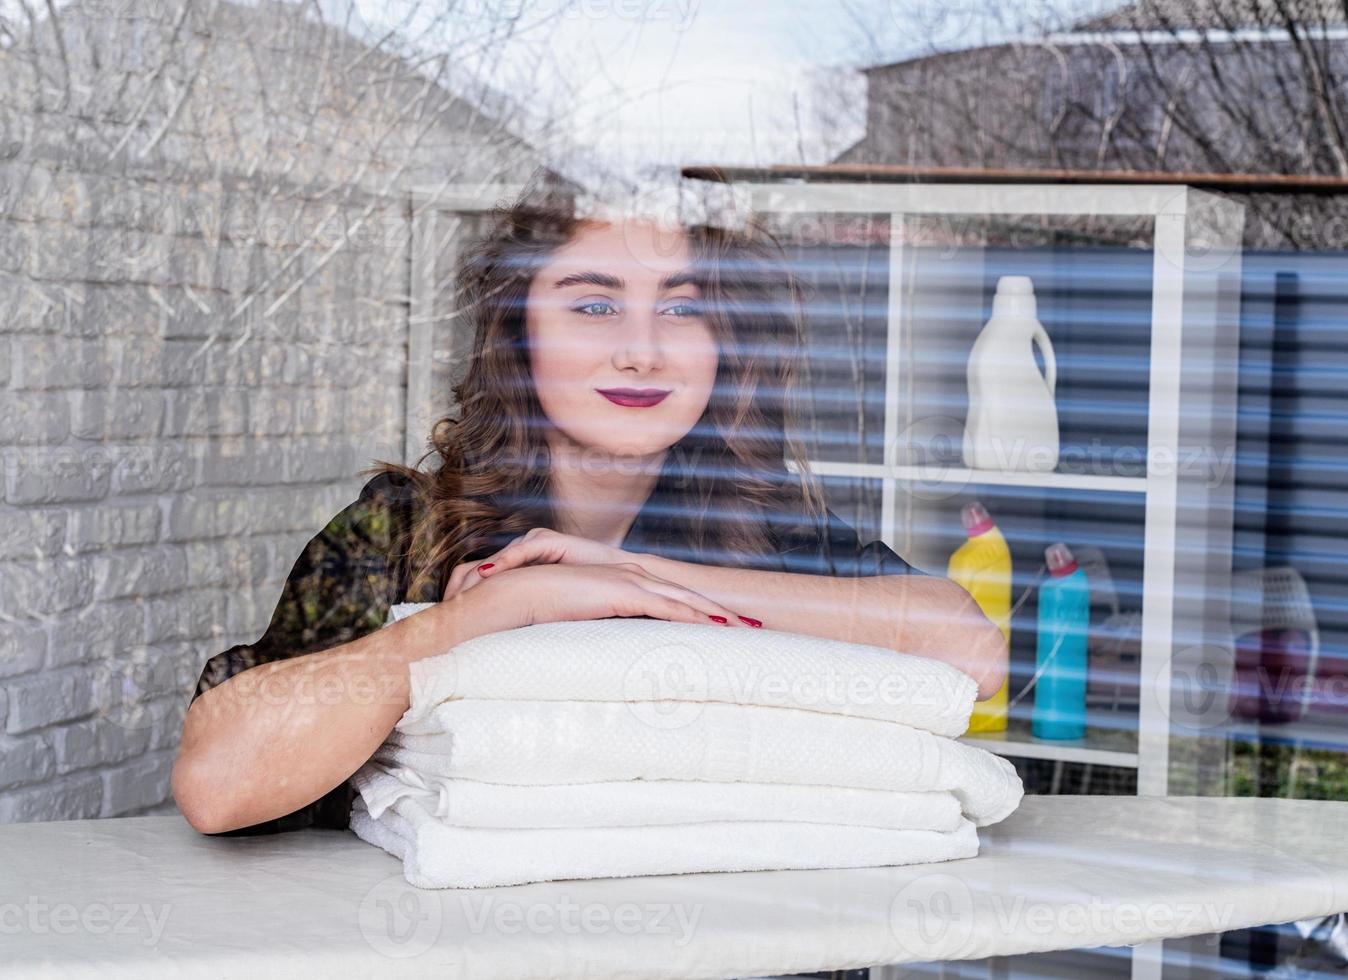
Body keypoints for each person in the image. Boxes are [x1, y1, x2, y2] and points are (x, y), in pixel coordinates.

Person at [172, 177, 1008, 837]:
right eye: (593, 303)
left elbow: (970, 655)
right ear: (519, 331)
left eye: (682, 307)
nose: (640, 350)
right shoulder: (405, 531)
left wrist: (628, 572)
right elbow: (217, 787)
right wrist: (499, 610)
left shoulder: (768, 532)